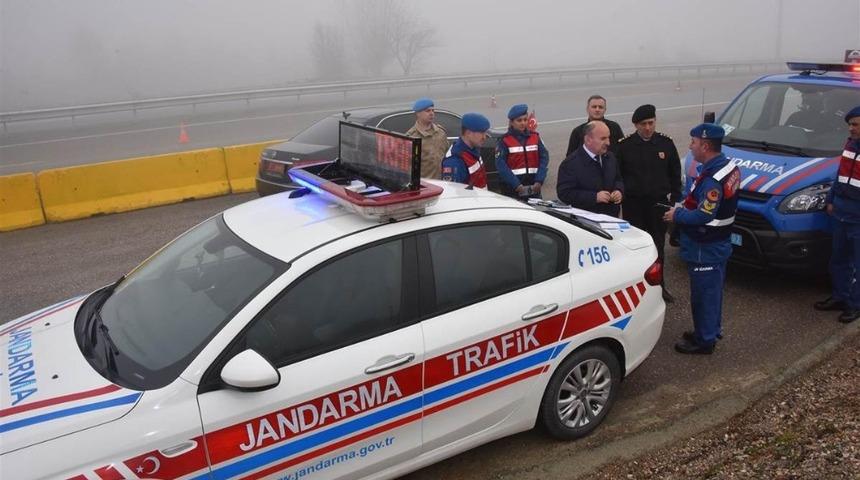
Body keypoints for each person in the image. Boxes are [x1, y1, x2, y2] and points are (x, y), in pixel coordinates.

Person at [663, 123, 740, 355]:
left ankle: (704, 340)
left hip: (705, 244)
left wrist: (677, 214)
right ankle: (711, 329)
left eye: (693, 142)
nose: (690, 146)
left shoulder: (712, 178)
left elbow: (704, 214)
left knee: (704, 294)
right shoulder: (727, 166)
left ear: (705, 146)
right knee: (714, 290)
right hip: (718, 242)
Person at [617, 104, 682, 302]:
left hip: (658, 206)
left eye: (651, 123)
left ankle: (660, 286)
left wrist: (674, 201)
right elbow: (618, 176)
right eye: (643, 124)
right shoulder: (624, 146)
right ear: (636, 125)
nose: (647, 128)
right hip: (634, 206)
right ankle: (637, 291)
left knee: (658, 246)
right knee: (636, 248)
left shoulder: (665, 144)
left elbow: (675, 174)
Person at [814, 105, 860, 323]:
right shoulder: (850, 144)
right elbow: (840, 176)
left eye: (855, 124)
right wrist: (831, 200)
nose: (851, 128)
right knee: (838, 260)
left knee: (858, 265)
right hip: (842, 212)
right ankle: (840, 297)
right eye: (850, 124)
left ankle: (855, 305)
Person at [557, 121, 624, 216]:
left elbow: (618, 179)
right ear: (588, 140)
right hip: (586, 221)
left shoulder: (610, 158)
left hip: (611, 218)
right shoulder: (570, 164)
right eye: (603, 139)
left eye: (608, 137)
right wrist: (594, 197)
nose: (608, 143)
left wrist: (618, 190)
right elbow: (565, 193)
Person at [496, 103, 550, 199]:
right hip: (512, 189)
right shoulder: (505, 141)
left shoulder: (535, 137)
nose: (523, 123)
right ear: (511, 122)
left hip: (534, 187)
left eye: (525, 120)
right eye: (519, 120)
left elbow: (544, 158)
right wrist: (516, 184)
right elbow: (501, 165)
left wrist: (539, 180)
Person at [441, 112, 490, 188]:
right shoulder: (455, 161)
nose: (485, 137)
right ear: (468, 133)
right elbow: (453, 193)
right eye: (481, 133)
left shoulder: (473, 149)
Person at [406, 97, 449, 180]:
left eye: (433, 110)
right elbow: (408, 167)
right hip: (425, 186)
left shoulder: (440, 132)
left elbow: (446, 154)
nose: (431, 113)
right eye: (427, 111)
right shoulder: (411, 137)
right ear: (418, 113)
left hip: (442, 183)